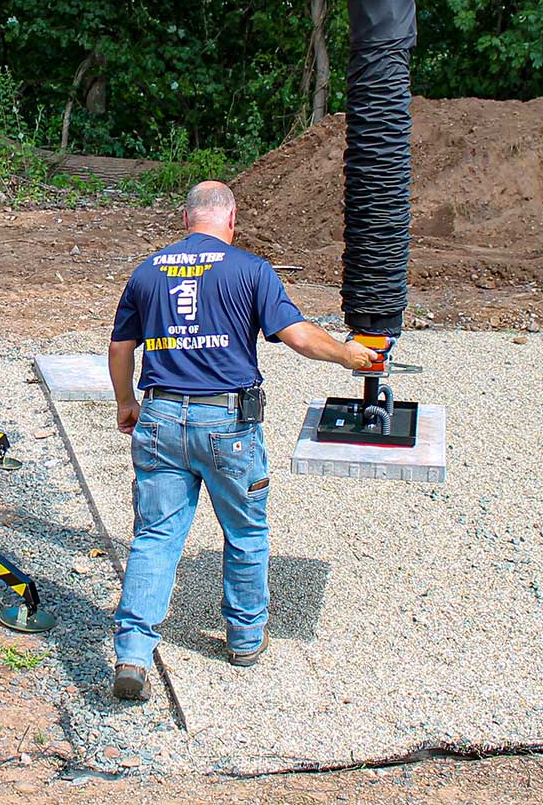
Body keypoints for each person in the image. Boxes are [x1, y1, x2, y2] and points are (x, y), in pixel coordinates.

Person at [107, 180, 377, 701]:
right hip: (228, 426)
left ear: (186, 220)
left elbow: (120, 347)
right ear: (231, 219)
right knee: (246, 533)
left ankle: (134, 652)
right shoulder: (250, 270)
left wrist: (126, 403)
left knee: (156, 538)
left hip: (160, 418)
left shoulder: (148, 271)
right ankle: (246, 639)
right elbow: (297, 334)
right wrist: (346, 355)